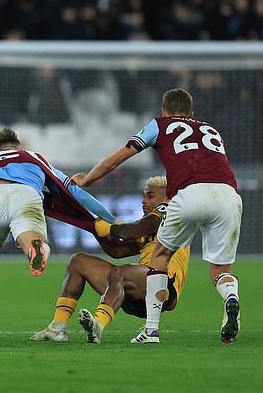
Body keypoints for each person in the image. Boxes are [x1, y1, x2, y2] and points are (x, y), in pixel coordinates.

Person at [72, 88, 242, 344]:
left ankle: (151, 330)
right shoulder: (211, 130)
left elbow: (115, 160)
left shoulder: (159, 125)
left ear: (163, 111)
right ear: (192, 113)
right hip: (229, 195)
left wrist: (87, 179)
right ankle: (231, 298)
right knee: (219, 270)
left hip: (189, 193)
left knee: (160, 256)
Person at [0, 116, 117, 340]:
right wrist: (109, 218)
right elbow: (74, 191)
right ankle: (37, 250)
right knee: (31, 242)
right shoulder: (34, 157)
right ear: (18, 146)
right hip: (25, 196)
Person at [30, 176, 190, 343]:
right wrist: (94, 229)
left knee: (119, 273)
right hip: (136, 291)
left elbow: (132, 231)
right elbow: (117, 251)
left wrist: (109, 228)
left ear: (166, 197)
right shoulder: (150, 227)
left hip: (163, 289)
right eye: (143, 196)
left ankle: (97, 325)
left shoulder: (170, 212)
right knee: (78, 261)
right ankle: (58, 328)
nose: (143, 201)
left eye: (150, 196)